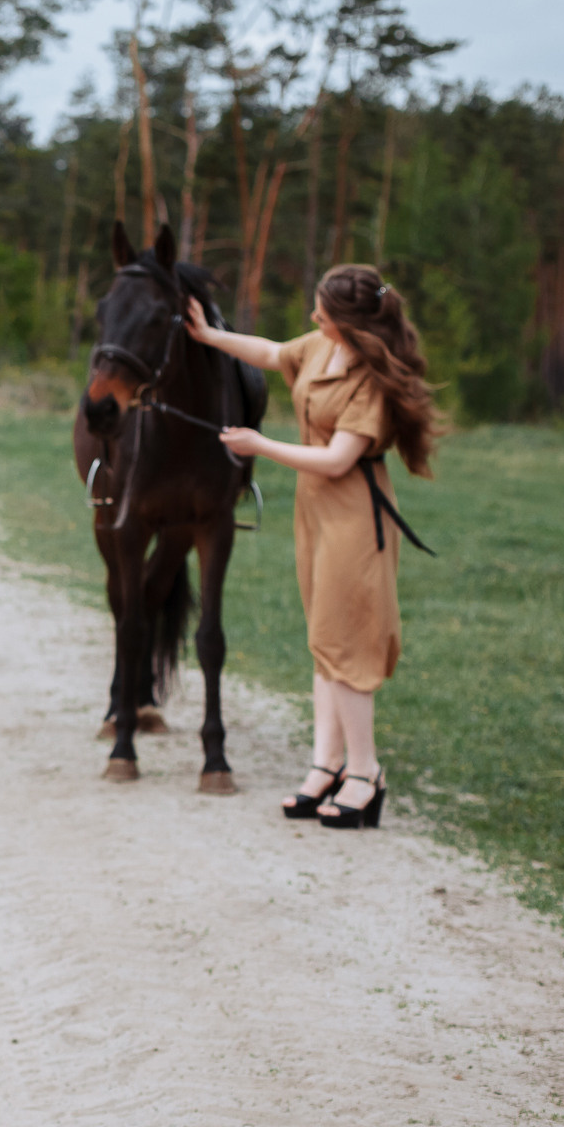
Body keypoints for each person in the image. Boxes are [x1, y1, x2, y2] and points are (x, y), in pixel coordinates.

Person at [183, 263, 441, 829]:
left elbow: (337, 460)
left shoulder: (370, 379)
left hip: (354, 517)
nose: (312, 315)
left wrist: (259, 445)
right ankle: (326, 764)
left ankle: (366, 773)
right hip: (316, 515)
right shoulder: (323, 348)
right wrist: (209, 336)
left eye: (322, 308)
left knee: (347, 644)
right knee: (324, 641)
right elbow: (273, 352)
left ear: (348, 321)